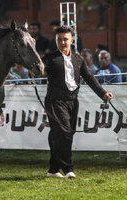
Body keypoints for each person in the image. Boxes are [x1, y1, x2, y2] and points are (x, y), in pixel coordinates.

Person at [42, 25, 113, 178]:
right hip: (55, 101)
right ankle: (68, 169)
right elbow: (37, 69)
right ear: (55, 41)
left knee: (62, 134)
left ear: (72, 40)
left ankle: (53, 170)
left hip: (73, 101)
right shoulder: (49, 59)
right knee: (64, 133)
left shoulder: (78, 59)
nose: (62, 42)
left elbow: (89, 78)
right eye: (59, 40)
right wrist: (37, 70)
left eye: (65, 39)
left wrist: (103, 93)